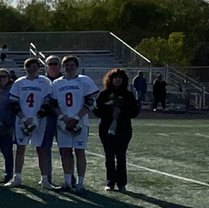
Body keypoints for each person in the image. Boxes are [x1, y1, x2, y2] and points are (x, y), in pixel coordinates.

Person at [52, 55, 100, 192]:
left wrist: (77, 118)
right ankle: (67, 182)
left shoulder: (84, 80)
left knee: (80, 152)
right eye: (66, 64)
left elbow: (91, 101)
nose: (69, 67)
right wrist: (63, 117)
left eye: (72, 64)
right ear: (63, 66)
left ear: (77, 66)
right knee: (65, 151)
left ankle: (80, 183)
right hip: (63, 122)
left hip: (80, 121)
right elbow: (53, 103)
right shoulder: (57, 83)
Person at [7, 57, 55, 188]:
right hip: (22, 119)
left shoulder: (45, 82)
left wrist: (36, 116)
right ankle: (17, 177)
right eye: (29, 66)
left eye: (34, 66)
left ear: (38, 67)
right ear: (25, 68)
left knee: (42, 149)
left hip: (39, 120)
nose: (31, 68)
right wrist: (23, 117)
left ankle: (44, 179)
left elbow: (47, 102)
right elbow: (13, 102)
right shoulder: (19, 82)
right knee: (20, 148)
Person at [95, 68, 141, 191]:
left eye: (120, 77)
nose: (117, 79)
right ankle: (110, 182)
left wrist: (121, 111)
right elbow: (97, 111)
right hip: (106, 129)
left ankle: (122, 183)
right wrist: (110, 111)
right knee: (109, 157)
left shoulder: (128, 95)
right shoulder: (103, 94)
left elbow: (134, 112)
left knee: (121, 156)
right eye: (115, 77)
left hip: (123, 129)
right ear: (110, 79)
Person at [37, 56, 64, 189]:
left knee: (65, 149)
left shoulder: (64, 81)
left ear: (60, 66)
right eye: (50, 64)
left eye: (55, 64)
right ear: (46, 66)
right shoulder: (42, 81)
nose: (53, 66)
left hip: (63, 118)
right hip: (46, 118)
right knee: (44, 148)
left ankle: (69, 178)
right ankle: (46, 177)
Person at [0, 68, 16, 184]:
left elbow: (11, 109)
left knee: (8, 151)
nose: (2, 79)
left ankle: (9, 174)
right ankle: (8, 173)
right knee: (4, 150)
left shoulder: (12, 90)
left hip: (9, 125)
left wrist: (6, 122)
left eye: (4, 76)